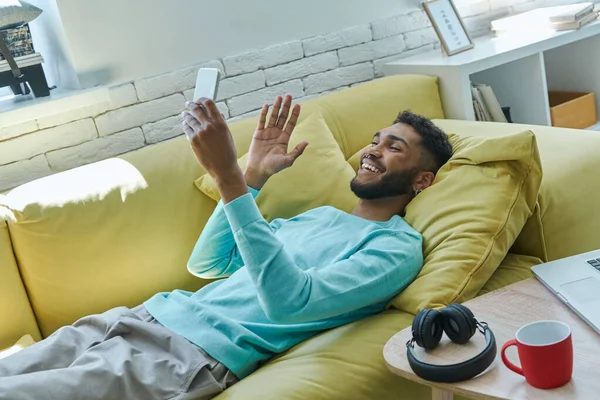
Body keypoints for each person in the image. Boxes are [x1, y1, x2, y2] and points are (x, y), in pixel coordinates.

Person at [0, 95, 453, 400]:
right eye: (375, 140)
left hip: (190, 356)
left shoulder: (396, 248)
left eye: (394, 148)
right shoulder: (319, 217)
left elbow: (289, 302)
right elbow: (209, 263)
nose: (373, 150)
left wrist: (230, 180)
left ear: (422, 180)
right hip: (138, 316)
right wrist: (252, 175)